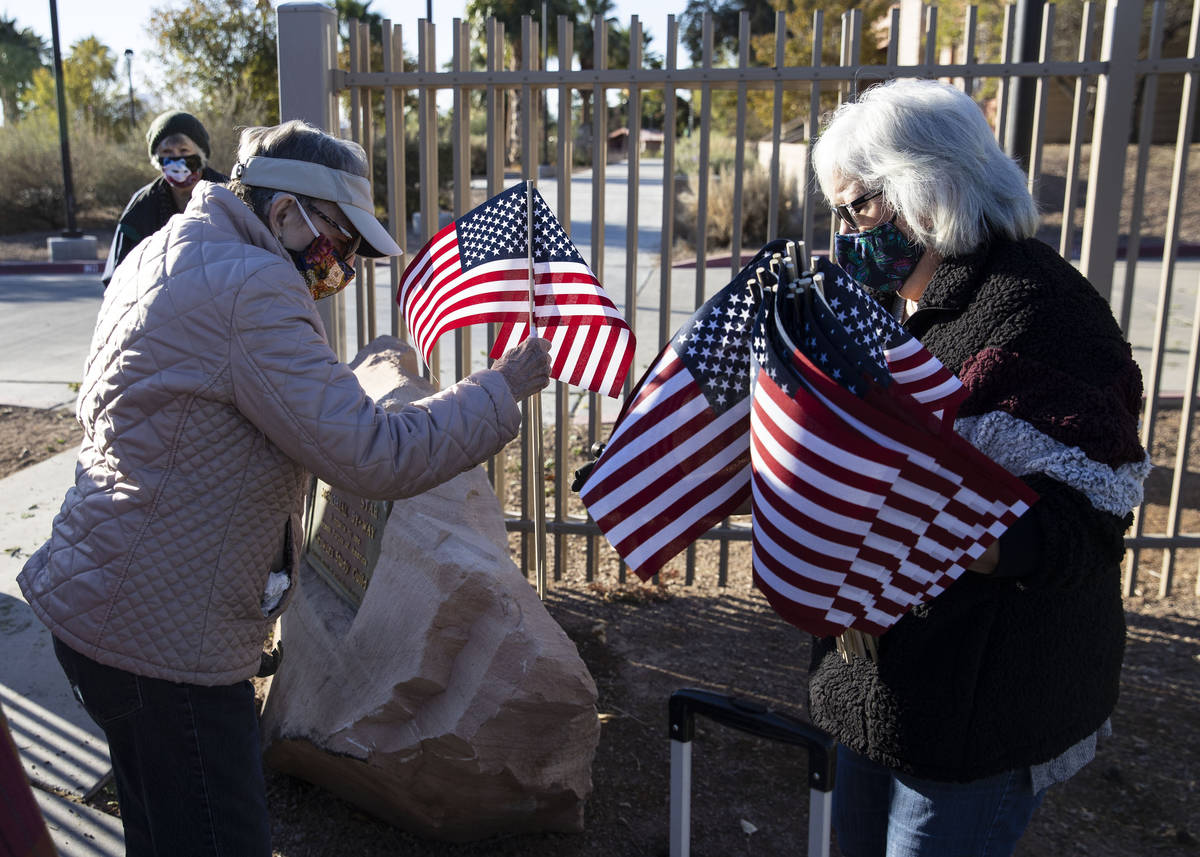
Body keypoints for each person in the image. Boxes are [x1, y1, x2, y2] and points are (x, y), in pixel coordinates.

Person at [18, 119, 552, 857]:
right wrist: (498, 389)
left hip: (105, 612)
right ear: (282, 214)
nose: (349, 265)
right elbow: (370, 451)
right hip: (165, 646)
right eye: (343, 240)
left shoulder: (169, 249)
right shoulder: (253, 285)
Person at [807, 78, 1149, 857]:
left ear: (921, 190)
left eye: (855, 207)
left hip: (982, 710)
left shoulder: (1042, 313)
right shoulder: (909, 304)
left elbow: (1081, 532)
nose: (845, 235)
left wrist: (935, 518)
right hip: (883, 685)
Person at [101, 110, 229, 287]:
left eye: (184, 150)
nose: (177, 159)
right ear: (157, 158)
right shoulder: (142, 204)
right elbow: (117, 274)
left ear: (200, 153)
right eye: (167, 152)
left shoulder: (228, 192)